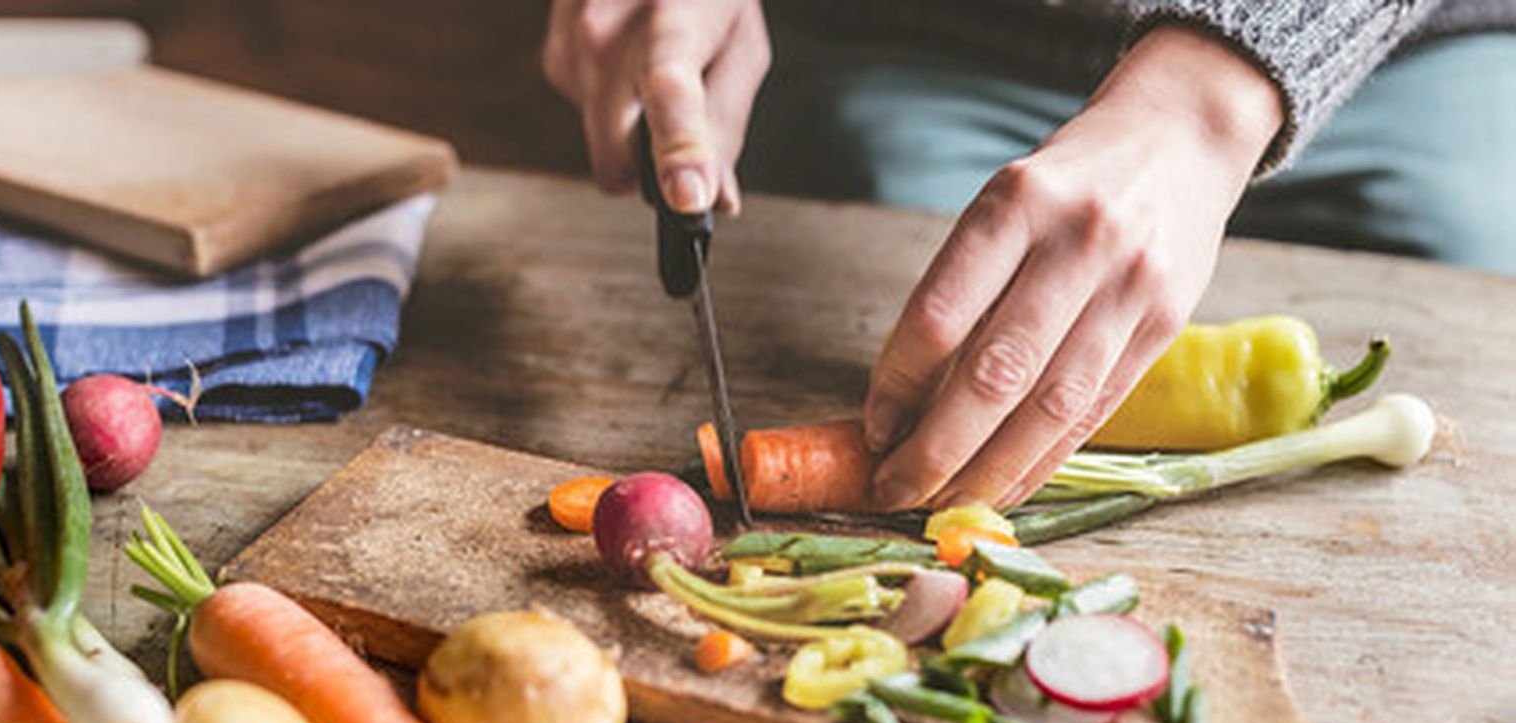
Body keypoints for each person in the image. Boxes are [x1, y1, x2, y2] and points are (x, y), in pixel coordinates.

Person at [540, 1, 1516, 511]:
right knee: (923, 344)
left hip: (1394, 47)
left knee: (1471, 273)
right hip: (919, 44)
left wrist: (1203, 102)